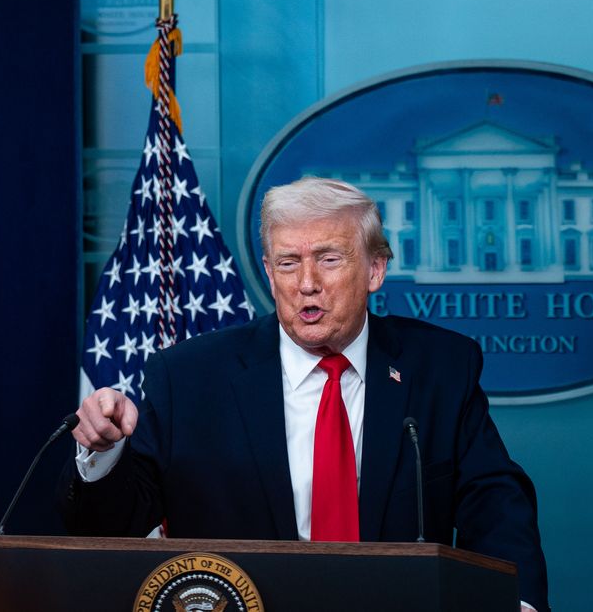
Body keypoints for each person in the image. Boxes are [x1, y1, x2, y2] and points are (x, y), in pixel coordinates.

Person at [59, 176, 548, 612]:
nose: (307, 284)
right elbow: (114, 526)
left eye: (329, 260)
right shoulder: (189, 377)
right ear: (270, 274)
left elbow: (494, 500)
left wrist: (517, 601)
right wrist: (103, 452)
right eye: (288, 263)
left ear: (375, 270)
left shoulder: (440, 366)